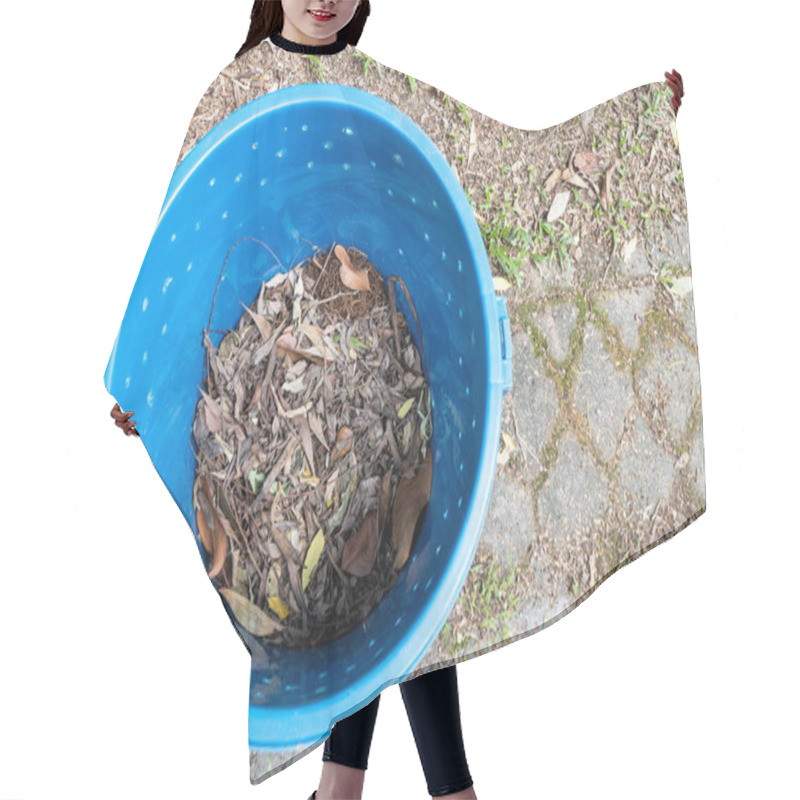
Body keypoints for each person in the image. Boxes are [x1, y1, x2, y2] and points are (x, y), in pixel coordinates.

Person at [109, 3, 685, 798]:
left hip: (382, 390)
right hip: (274, 426)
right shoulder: (234, 91)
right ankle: (421, 789)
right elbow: (181, 246)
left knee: (395, 573)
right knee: (366, 589)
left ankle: (359, 787)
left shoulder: (376, 89)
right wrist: (141, 384)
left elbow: (497, 170)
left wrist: (638, 125)